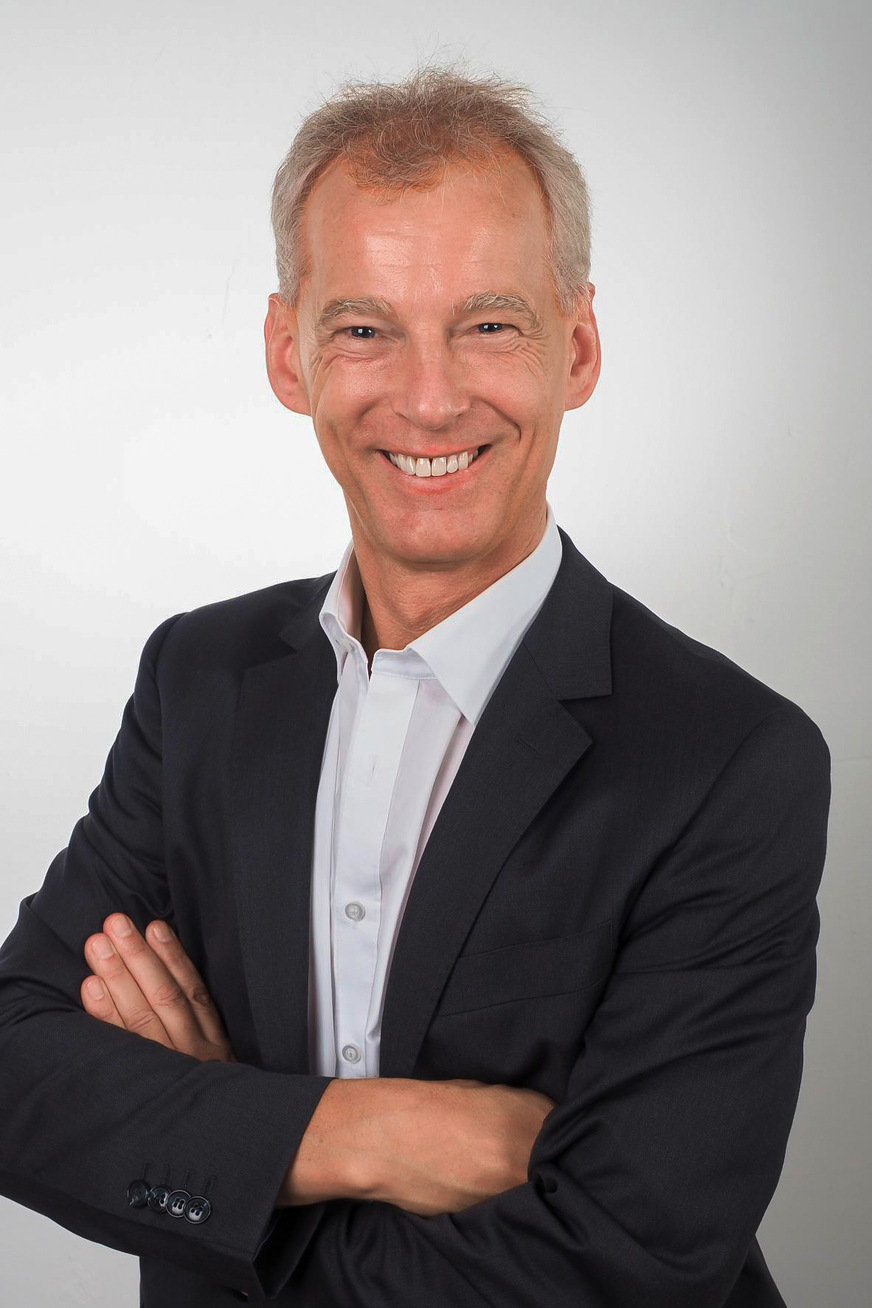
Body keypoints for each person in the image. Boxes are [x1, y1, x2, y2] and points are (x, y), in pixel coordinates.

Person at [0, 66, 831, 1307]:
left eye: (488, 325)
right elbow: (20, 1070)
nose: (429, 398)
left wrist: (222, 1145)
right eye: (363, 328)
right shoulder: (197, 681)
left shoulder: (729, 760)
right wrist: (369, 1134)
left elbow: (623, 1261)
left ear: (576, 347)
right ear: (288, 353)